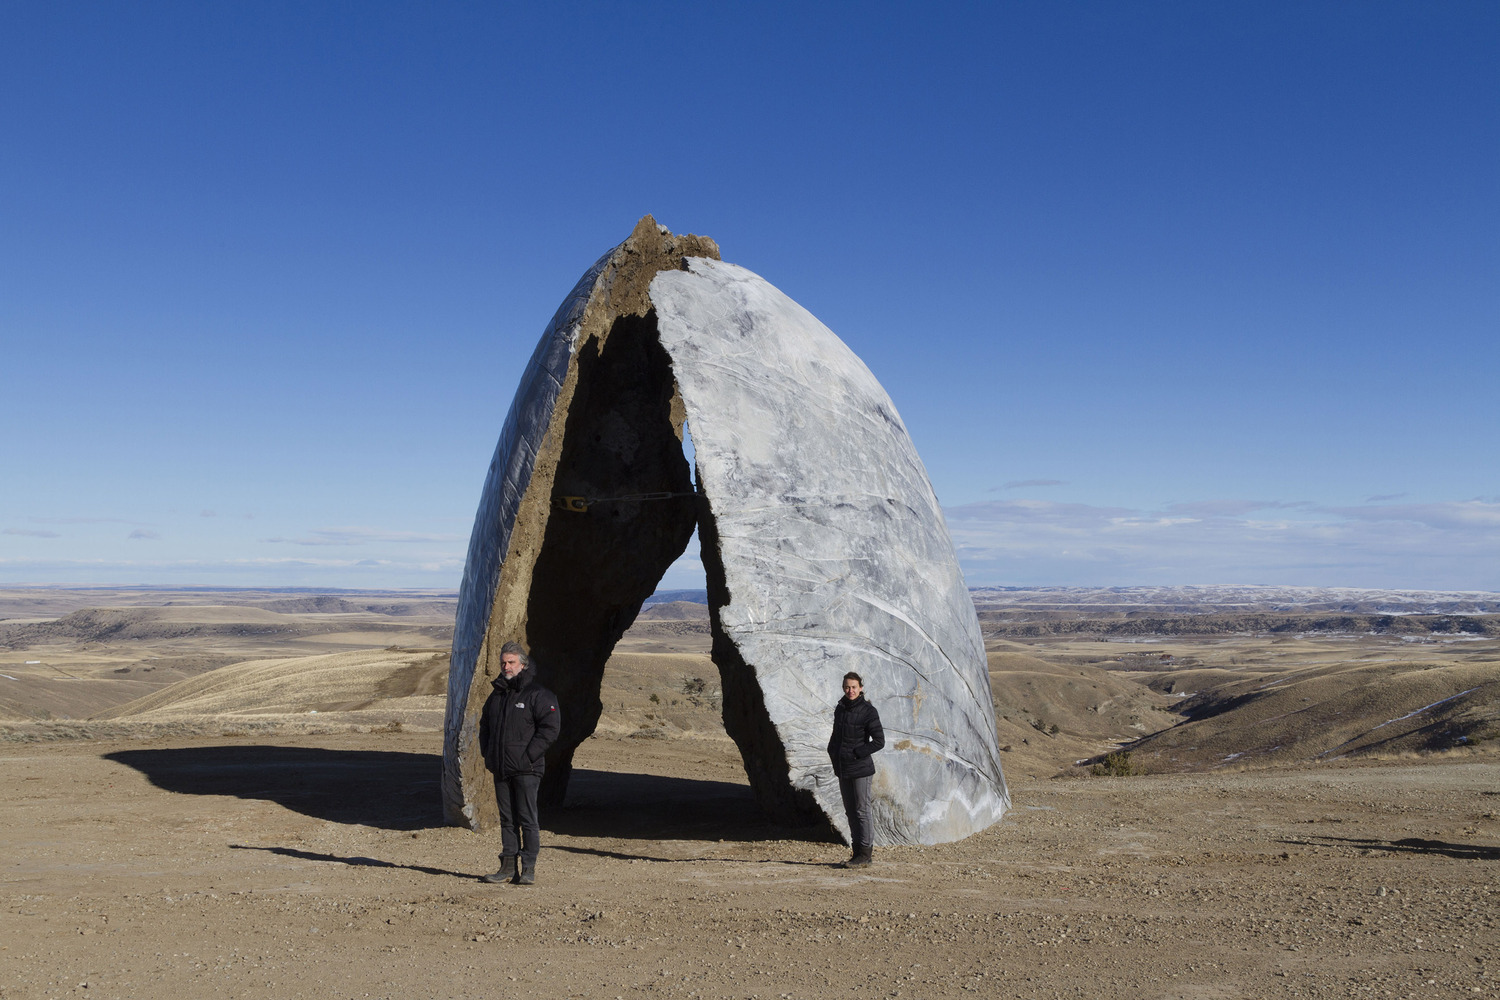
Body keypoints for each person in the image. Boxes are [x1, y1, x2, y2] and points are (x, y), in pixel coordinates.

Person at [478, 641, 560, 885]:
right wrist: (488, 753)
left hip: (527, 769)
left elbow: (550, 728)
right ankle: (506, 867)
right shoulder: (498, 695)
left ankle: (528, 869)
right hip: (501, 767)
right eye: (503, 662)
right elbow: (485, 726)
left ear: (523, 665)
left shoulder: (538, 694)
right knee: (507, 819)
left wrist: (528, 756)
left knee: (527, 819)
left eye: (511, 662)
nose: (506, 666)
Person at [827, 670, 884, 868]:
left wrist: (858, 752)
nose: (850, 690)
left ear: (860, 688)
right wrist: (833, 751)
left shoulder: (869, 711)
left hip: (861, 768)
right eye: (846, 687)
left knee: (862, 810)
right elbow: (836, 735)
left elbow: (879, 741)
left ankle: (866, 853)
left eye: (853, 687)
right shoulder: (840, 708)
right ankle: (857, 852)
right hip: (844, 767)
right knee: (850, 811)